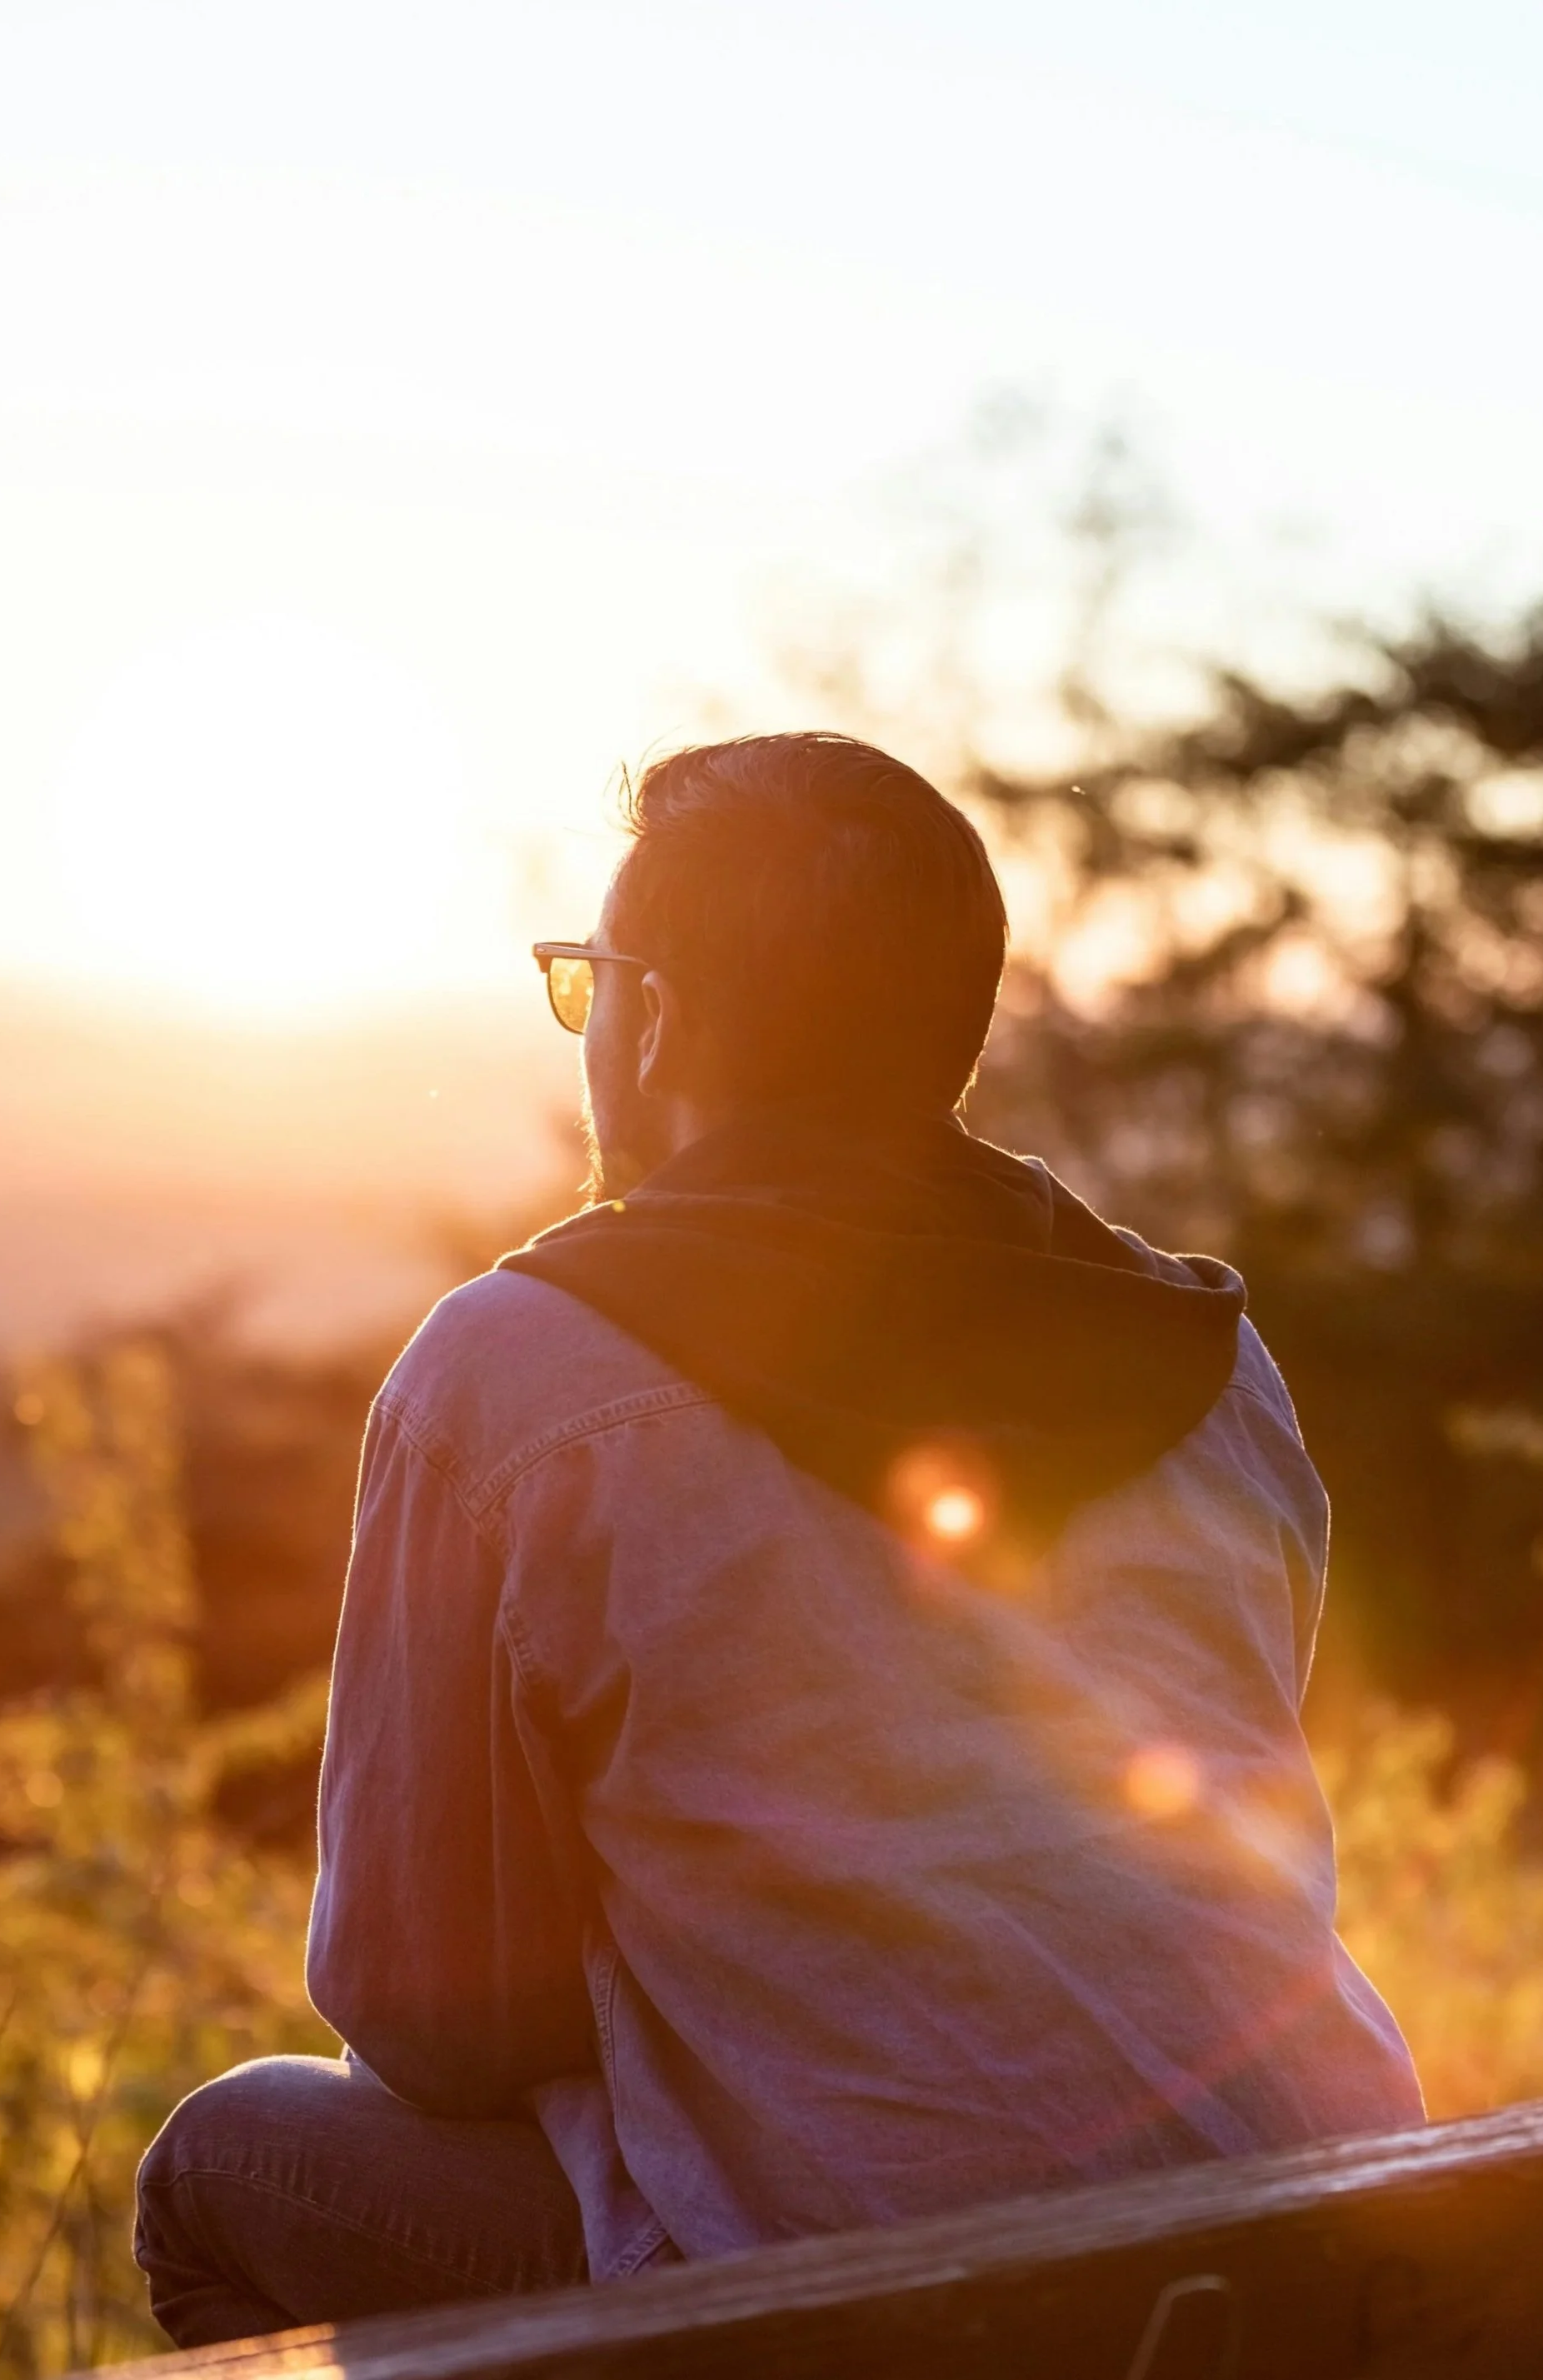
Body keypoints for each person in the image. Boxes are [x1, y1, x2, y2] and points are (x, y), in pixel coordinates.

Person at [134, 732, 1421, 2347]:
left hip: (870, 2321)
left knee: (234, 2160)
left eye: (592, 980)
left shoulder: (519, 1367)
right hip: (1313, 2260)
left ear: (660, 1015)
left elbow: (425, 2017)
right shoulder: (1210, 1357)